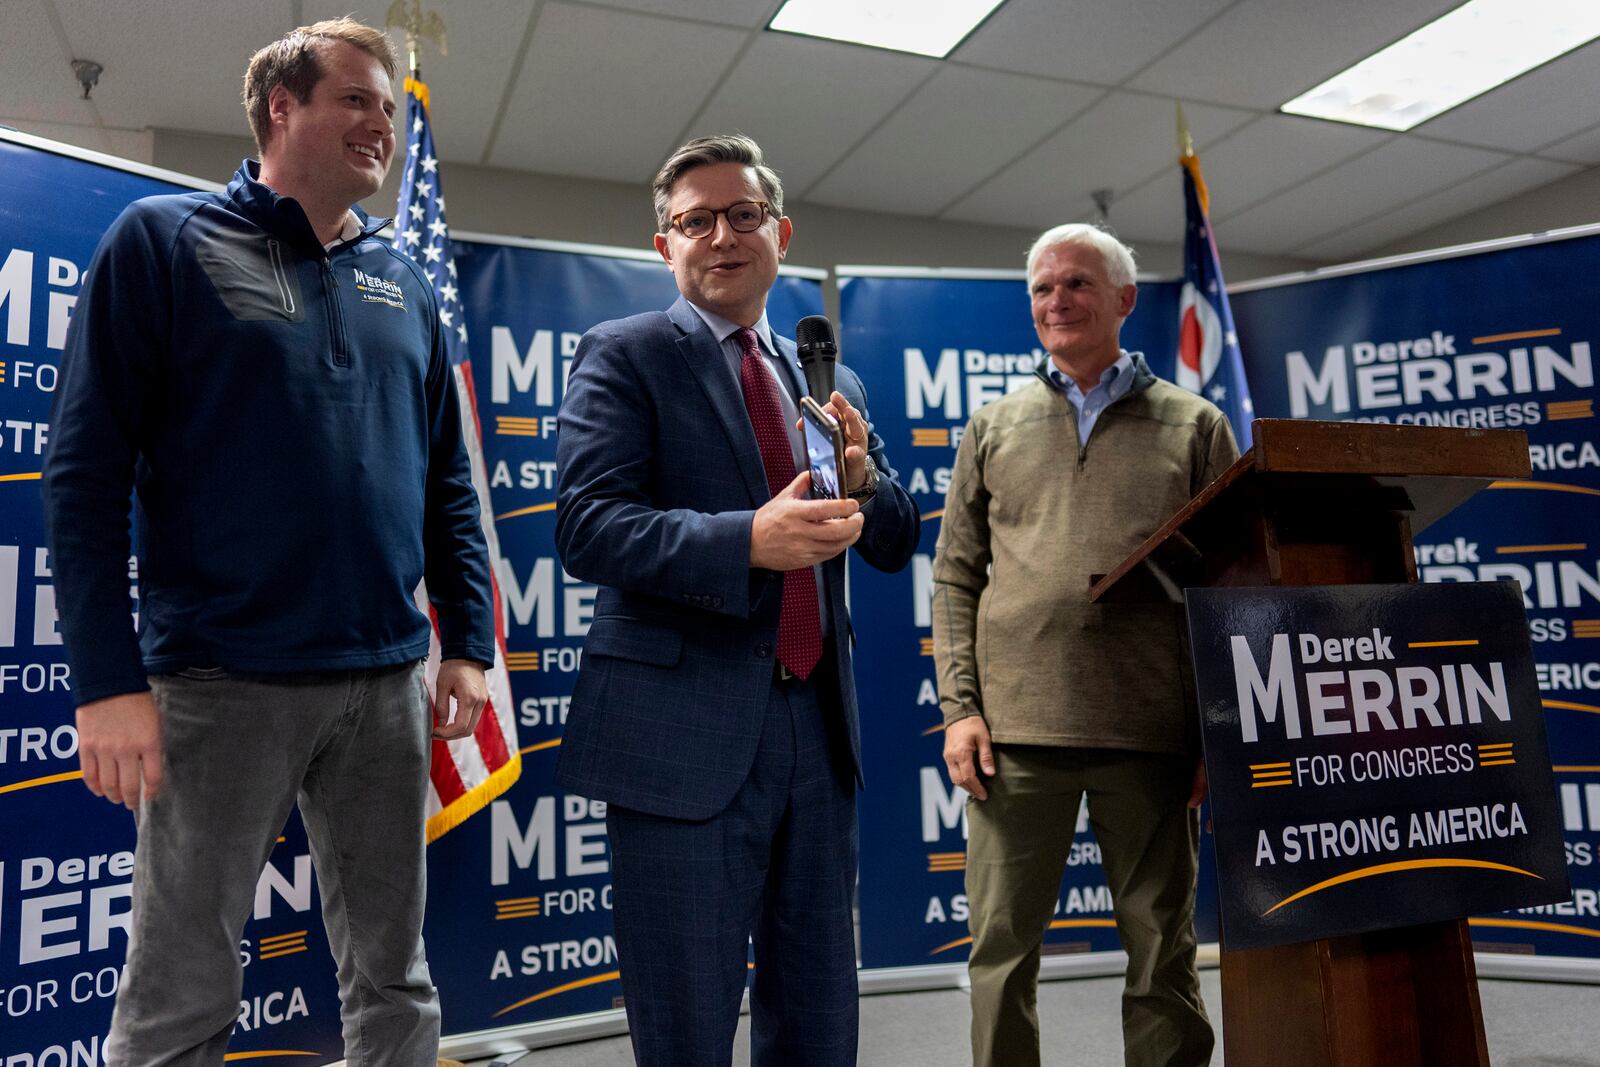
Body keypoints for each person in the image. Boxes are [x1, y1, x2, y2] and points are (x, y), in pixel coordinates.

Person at [42, 18, 493, 1064]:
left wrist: (465, 637)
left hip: (384, 681)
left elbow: (445, 483)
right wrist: (107, 680)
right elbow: (84, 475)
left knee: (395, 976)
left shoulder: (404, 280)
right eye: (357, 98)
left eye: (388, 105)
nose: (382, 121)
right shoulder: (163, 238)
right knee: (182, 988)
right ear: (280, 108)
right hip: (218, 679)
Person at [554, 134, 919, 1066]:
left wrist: (864, 472)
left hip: (815, 734)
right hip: (681, 737)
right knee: (686, 1018)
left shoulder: (827, 379)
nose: (723, 234)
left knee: (816, 1008)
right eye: (697, 220)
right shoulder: (625, 354)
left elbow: (892, 541)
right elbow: (588, 526)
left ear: (781, 233)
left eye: (744, 215)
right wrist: (743, 540)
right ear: (664, 246)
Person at [933, 224, 1238, 1067]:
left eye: (1076, 283)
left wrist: (1219, 725)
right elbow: (955, 578)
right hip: (1014, 739)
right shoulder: (993, 425)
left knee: (1162, 953)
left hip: (1153, 736)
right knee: (1000, 955)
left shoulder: (1194, 424)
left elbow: (1231, 588)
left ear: (1124, 300)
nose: (1056, 300)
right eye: (1041, 288)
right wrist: (960, 710)